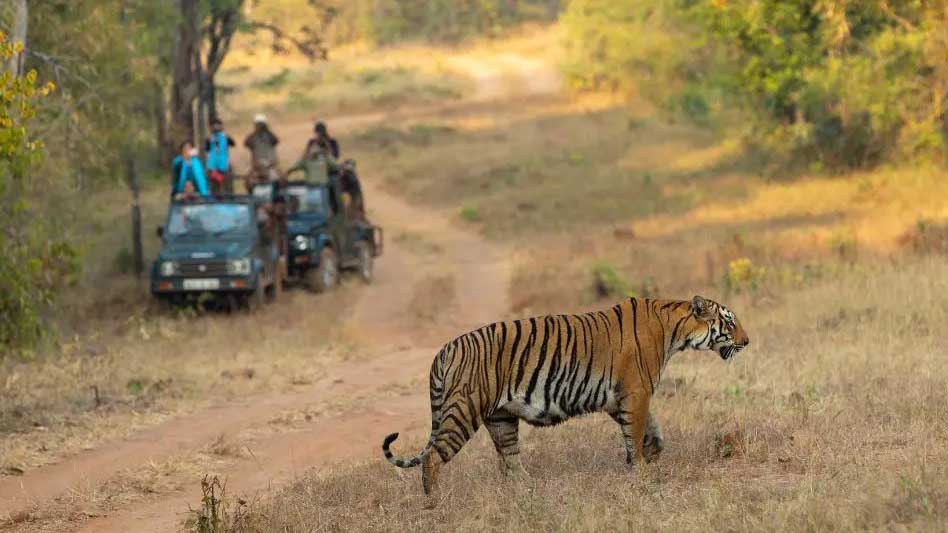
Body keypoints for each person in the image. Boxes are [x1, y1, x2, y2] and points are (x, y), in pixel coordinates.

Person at [244, 114, 280, 191]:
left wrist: (267, 130)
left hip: (269, 162)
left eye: (260, 124)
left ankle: (276, 193)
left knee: (280, 177)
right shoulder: (253, 137)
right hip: (257, 163)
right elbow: (246, 143)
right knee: (248, 180)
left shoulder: (269, 136)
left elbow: (276, 140)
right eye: (257, 124)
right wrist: (255, 132)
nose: (258, 126)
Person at [205, 117, 236, 194]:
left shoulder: (225, 137)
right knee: (214, 188)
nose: (216, 127)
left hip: (223, 166)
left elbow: (233, 144)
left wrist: (226, 136)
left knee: (225, 187)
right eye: (214, 125)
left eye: (218, 125)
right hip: (212, 167)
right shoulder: (209, 139)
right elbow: (207, 150)